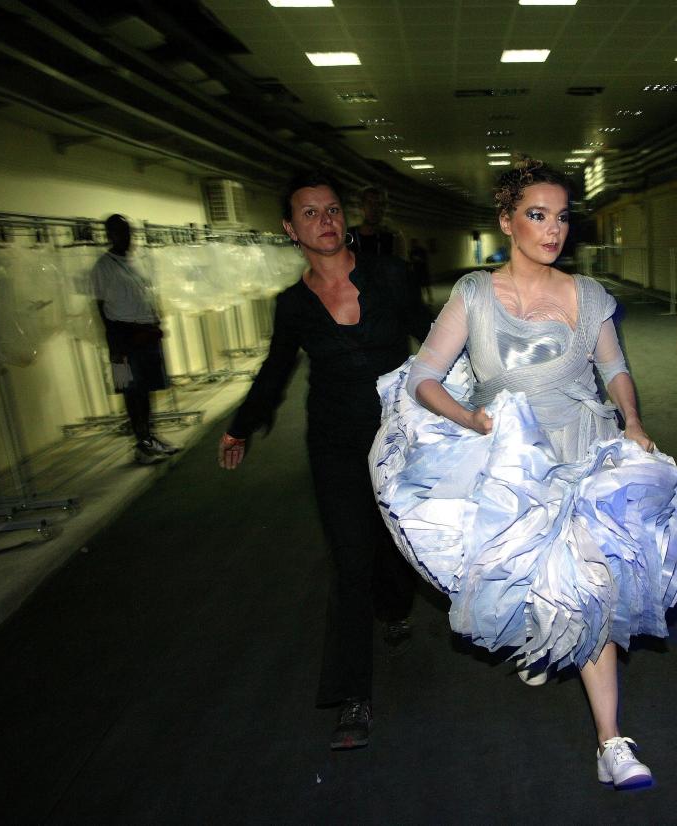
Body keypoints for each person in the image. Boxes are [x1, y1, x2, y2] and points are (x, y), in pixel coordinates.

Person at [370, 160, 677, 790]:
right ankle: (539, 636)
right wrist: (470, 418)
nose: (552, 229)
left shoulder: (587, 298)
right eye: (536, 214)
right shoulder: (474, 295)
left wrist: (632, 421)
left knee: (595, 588)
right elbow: (422, 376)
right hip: (511, 463)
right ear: (507, 221)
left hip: (585, 454)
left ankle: (612, 743)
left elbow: (615, 370)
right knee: (533, 581)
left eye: (560, 216)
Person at [217, 170, 432, 750]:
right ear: (291, 230)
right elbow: (275, 370)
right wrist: (241, 425)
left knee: (391, 545)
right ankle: (353, 694)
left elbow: (432, 336)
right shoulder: (292, 306)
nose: (326, 221)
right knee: (350, 561)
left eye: (332, 209)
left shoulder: (389, 276)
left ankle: (396, 604)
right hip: (335, 443)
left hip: (399, 438)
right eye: (309, 214)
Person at [91, 214, 178, 465]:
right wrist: (115, 346)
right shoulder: (103, 267)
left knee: (147, 388)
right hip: (123, 337)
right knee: (131, 391)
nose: (127, 237)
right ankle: (140, 444)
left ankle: (150, 437)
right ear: (110, 235)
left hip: (146, 334)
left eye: (129, 232)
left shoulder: (136, 262)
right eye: (121, 233)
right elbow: (100, 308)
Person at [347, 185, 402, 258]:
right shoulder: (349, 235)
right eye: (369, 203)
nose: (374, 208)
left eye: (378, 204)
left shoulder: (393, 238)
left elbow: (400, 266)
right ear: (361, 206)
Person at [407, 237, 431, 304]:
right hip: (416, 270)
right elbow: (411, 261)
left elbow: (425, 260)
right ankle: (421, 299)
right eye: (411, 243)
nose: (412, 245)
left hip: (423, 270)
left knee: (426, 285)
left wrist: (419, 259)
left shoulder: (422, 250)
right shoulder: (411, 251)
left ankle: (430, 298)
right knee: (419, 286)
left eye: (413, 243)